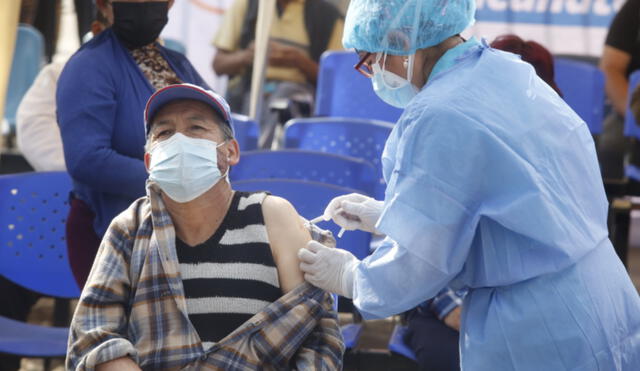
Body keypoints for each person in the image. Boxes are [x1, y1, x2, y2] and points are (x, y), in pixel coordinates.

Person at [297, 0, 640, 369]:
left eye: (370, 60)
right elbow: (520, 200)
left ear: (400, 40)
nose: (374, 73)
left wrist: (352, 277)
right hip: (603, 294)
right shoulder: (507, 73)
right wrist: (391, 216)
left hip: (538, 328)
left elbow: (419, 264)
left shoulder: (438, 113)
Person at [66, 83, 344, 370]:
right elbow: (94, 334)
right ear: (150, 161)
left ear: (231, 152)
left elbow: (317, 334)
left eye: (196, 128)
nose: (179, 140)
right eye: (165, 133)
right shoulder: (130, 227)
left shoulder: (272, 216)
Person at [56, 0, 208, 289]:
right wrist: (175, 179)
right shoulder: (88, 67)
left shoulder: (177, 63)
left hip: (182, 231)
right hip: (113, 238)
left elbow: (220, 128)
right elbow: (87, 159)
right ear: (104, 4)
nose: (144, 7)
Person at [212, 0, 344, 147]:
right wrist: (248, 56)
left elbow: (338, 81)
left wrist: (299, 61)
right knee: (255, 101)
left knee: (282, 99)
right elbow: (218, 65)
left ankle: (256, 156)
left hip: (299, 96)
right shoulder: (247, 5)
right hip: (248, 91)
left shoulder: (328, 16)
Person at [16, 13, 109, 172]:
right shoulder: (60, 75)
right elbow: (36, 133)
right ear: (97, 31)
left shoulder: (164, 74)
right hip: (78, 184)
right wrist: (97, 171)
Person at [598, 0, 640, 180]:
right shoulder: (635, 8)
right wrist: (634, 119)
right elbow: (610, 68)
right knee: (609, 146)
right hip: (632, 111)